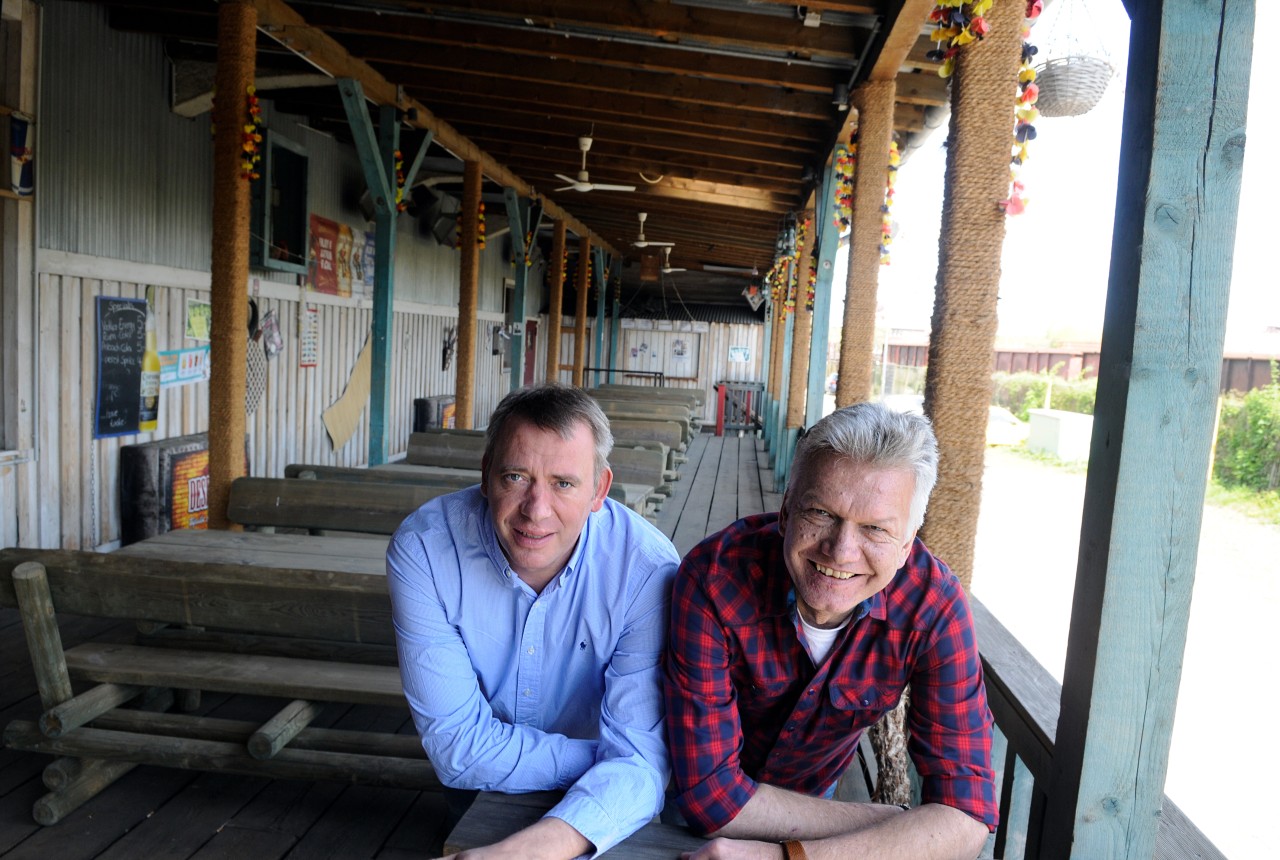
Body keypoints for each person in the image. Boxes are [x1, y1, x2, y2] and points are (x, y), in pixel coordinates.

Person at [664, 402, 998, 860]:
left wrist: (788, 857)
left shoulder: (932, 605)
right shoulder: (715, 577)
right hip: (680, 808)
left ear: (907, 543)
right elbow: (708, 798)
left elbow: (967, 815)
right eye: (821, 513)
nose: (841, 551)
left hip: (816, 819)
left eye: (875, 529)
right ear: (786, 511)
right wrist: (897, 825)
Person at [387, 384, 680, 859]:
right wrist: (615, 761)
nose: (536, 510)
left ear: (598, 490)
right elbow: (459, 750)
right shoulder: (426, 550)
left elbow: (638, 770)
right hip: (483, 788)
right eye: (516, 477)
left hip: (609, 814)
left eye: (564, 483)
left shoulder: (645, 570)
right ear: (486, 475)